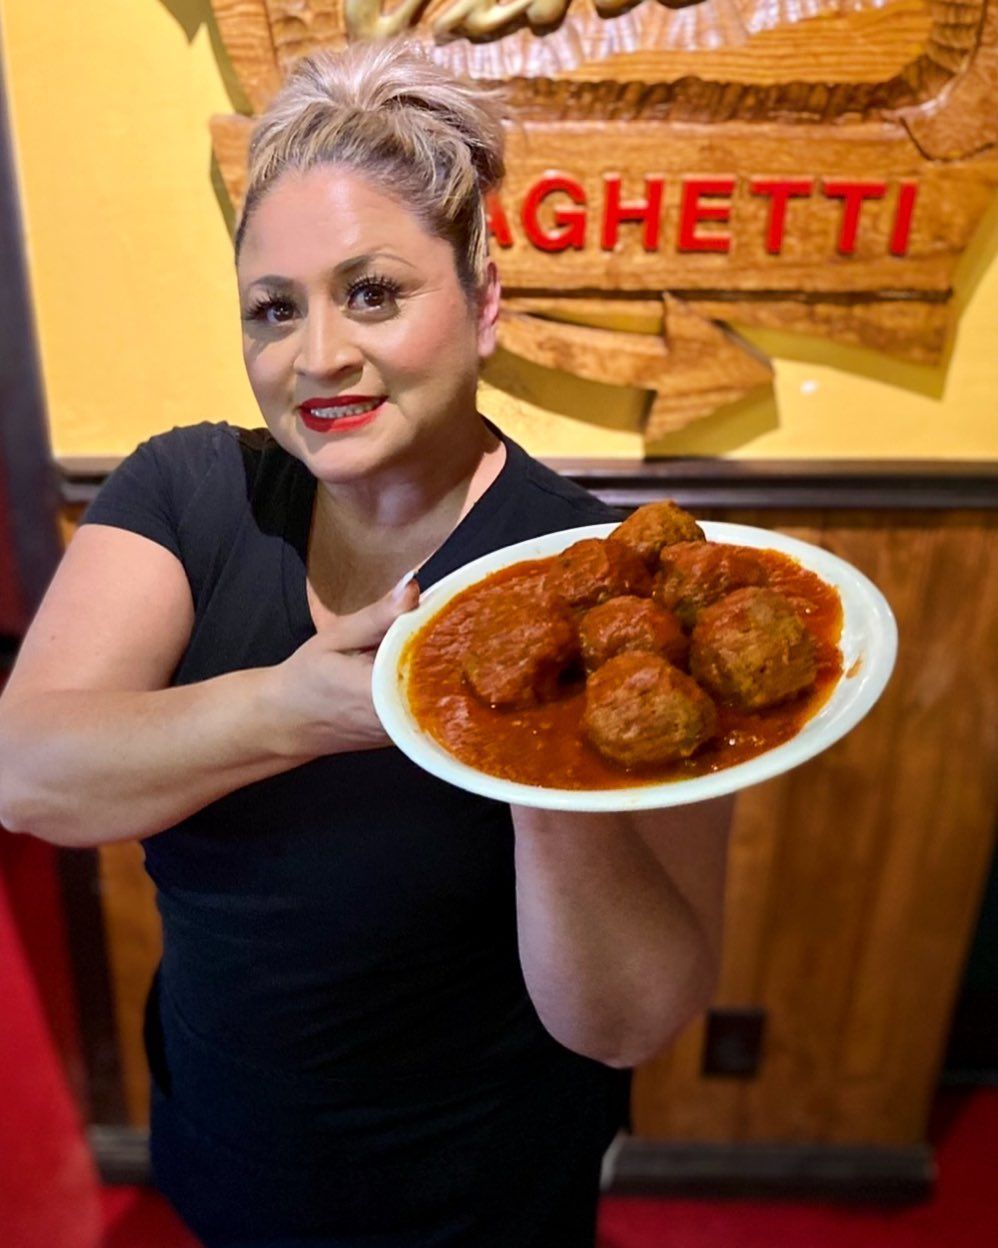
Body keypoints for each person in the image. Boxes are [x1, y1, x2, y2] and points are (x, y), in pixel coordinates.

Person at [0, 39, 730, 1248]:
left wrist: (534, 755)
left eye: (373, 293)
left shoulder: (606, 588)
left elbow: (627, 1022)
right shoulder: (191, 490)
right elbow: (27, 776)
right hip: (224, 1146)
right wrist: (293, 710)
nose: (318, 355)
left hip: (479, 1196)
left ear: (483, 304)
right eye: (274, 310)